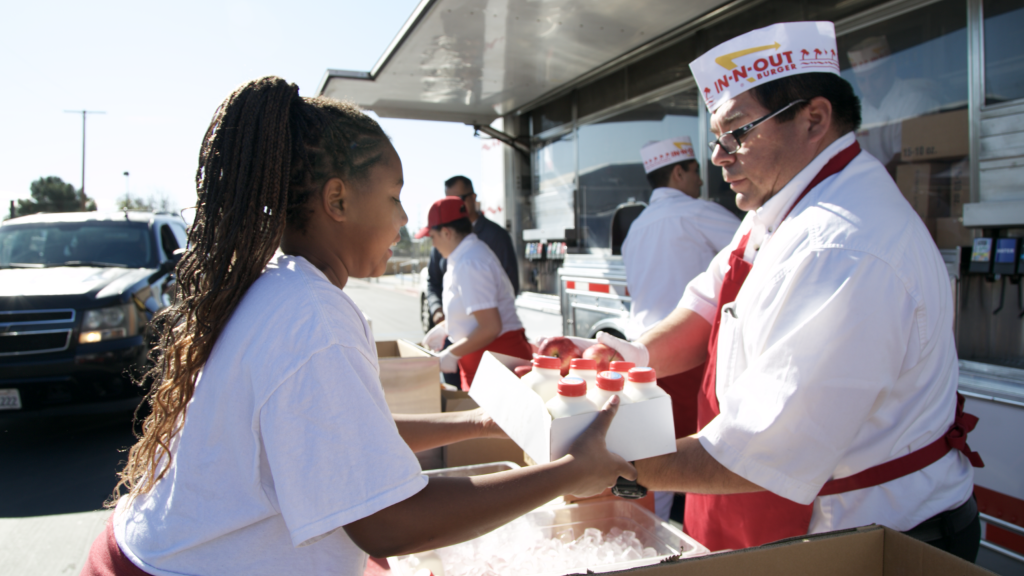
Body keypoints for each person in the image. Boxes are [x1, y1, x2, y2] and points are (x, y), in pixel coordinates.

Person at [81, 77, 635, 576]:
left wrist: (483, 422)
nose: (402, 219)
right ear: (338, 200)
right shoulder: (310, 313)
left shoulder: (278, 285)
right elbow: (386, 523)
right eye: (393, 196)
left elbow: (346, 435)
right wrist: (568, 473)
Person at [587, 22, 983, 560]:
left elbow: (760, 450)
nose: (720, 158)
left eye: (738, 133)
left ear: (814, 119)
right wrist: (628, 356)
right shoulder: (778, 209)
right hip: (794, 505)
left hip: (873, 537)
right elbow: (706, 306)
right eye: (717, 140)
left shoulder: (842, 246)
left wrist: (604, 463)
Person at [621, 136, 739, 520]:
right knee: (691, 458)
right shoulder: (697, 212)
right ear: (678, 172)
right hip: (685, 358)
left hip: (644, 354)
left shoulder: (637, 226)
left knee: (651, 459)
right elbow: (756, 250)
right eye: (696, 172)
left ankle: (651, 542)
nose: (702, 182)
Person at [418, 197, 533, 390]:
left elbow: (490, 326)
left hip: (498, 364)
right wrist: (448, 327)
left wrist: (452, 353)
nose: (433, 244)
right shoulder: (465, 256)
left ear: (446, 233)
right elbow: (474, 310)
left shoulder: (470, 262)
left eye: (433, 237)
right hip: (485, 363)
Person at [426, 176, 519, 328]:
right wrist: (438, 310)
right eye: (448, 199)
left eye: (458, 199)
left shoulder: (495, 237)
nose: (453, 204)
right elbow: (433, 280)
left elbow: (509, 285)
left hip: (485, 336)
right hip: (459, 333)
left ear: (473, 198)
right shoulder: (441, 238)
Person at [847, 36, 939, 169]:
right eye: (862, 81)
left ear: (892, 69)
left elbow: (904, 158)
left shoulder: (914, 100)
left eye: (875, 77)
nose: (869, 87)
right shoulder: (858, 110)